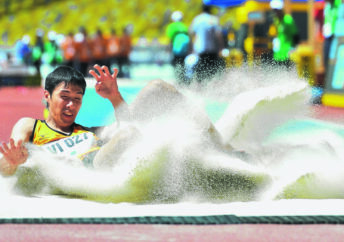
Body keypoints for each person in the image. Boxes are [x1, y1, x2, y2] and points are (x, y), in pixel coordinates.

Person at [0, 64, 224, 176]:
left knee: (158, 88)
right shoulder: (31, 126)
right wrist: (12, 163)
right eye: (64, 98)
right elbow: (6, 162)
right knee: (129, 134)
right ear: (47, 97)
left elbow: (127, 124)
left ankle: (220, 147)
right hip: (85, 170)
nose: (71, 105)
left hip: (107, 150)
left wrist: (114, 97)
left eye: (77, 99)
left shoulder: (86, 131)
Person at [189, 4, 225, 83]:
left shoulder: (197, 19)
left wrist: (192, 49)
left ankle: (201, 89)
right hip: (212, 50)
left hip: (200, 50)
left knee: (201, 71)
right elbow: (218, 35)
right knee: (212, 71)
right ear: (210, 9)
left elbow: (192, 33)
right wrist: (221, 48)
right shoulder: (214, 19)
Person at [269, 0, 299, 68]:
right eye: (274, 10)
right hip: (278, 54)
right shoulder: (276, 20)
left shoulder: (288, 20)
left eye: (276, 10)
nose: (275, 12)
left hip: (287, 54)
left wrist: (293, 49)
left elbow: (296, 35)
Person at [166, 11, 191, 84]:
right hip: (185, 49)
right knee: (183, 64)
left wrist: (168, 50)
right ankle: (184, 81)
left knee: (176, 65)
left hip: (176, 49)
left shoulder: (171, 26)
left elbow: (170, 40)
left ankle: (179, 82)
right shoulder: (184, 26)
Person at [322, 0, 342, 74]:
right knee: (326, 60)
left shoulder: (339, 2)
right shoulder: (327, 6)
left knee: (336, 61)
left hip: (337, 37)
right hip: (327, 38)